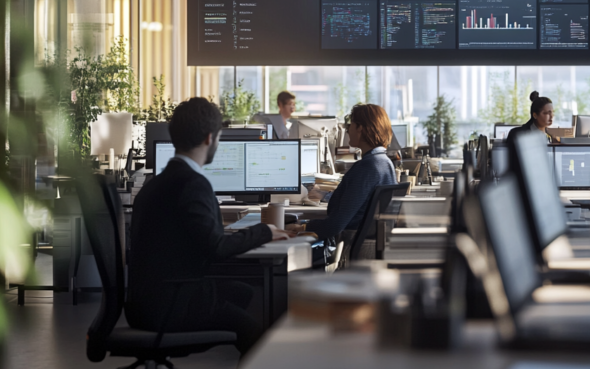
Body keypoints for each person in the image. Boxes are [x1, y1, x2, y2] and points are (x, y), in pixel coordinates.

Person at [127, 98, 290, 356]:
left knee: (243, 292)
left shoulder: (154, 184)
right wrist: (265, 231)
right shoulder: (193, 183)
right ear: (209, 138)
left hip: (144, 304)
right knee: (255, 335)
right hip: (172, 306)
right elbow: (216, 247)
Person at [290, 103, 397, 242]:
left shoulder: (367, 167)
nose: (347, 131)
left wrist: (301, 227)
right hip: (369, 245)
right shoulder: (385, 162)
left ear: (360, 128)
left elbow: (335, 225)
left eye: (350, 125)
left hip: (349, 245)